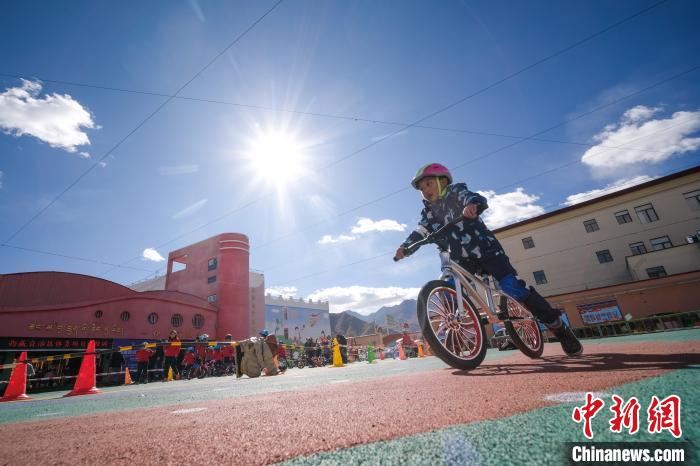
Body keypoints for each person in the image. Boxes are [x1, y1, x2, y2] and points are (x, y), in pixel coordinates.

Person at [394, 163, 582, 356]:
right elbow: (421, 231)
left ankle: (559, 328)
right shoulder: (429, 212)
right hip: (462, 257)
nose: (425, 191)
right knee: (448, 289)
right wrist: (406, 247)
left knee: (512, 287)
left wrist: (471, 205)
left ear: (442, 182)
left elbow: (471, 197)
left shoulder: (455, 192)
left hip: (487, 250)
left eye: (428, 185)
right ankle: (455, 335)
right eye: (421, 189)